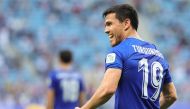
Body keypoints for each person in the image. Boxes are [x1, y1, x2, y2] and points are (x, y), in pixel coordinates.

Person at [75, 4, 177, 109]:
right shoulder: (158, 54)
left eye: (109, 24)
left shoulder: (119, 51)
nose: (106, 30)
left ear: (126, 23)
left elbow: (107, 90)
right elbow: (171, 96)